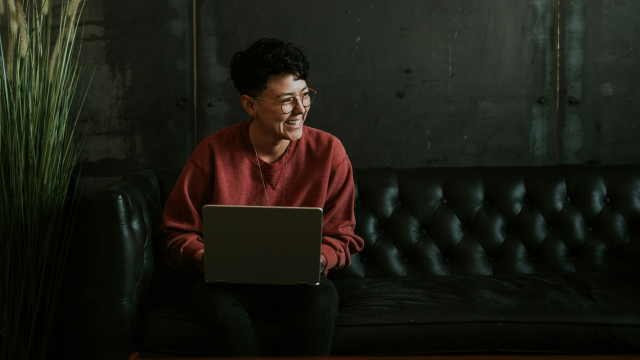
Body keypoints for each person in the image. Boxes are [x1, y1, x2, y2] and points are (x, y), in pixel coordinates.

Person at [159, 38, 364, 356]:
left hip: (301, 286)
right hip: (226, 285)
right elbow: (177, 233)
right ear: (250, 105)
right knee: (216, 302)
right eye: (286, 101)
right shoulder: (213, 152)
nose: (300, 109)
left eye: (305, 95)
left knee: (322, 298)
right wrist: (203, 258)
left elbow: (342, 234)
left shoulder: (329, 152)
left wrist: (318, 259)